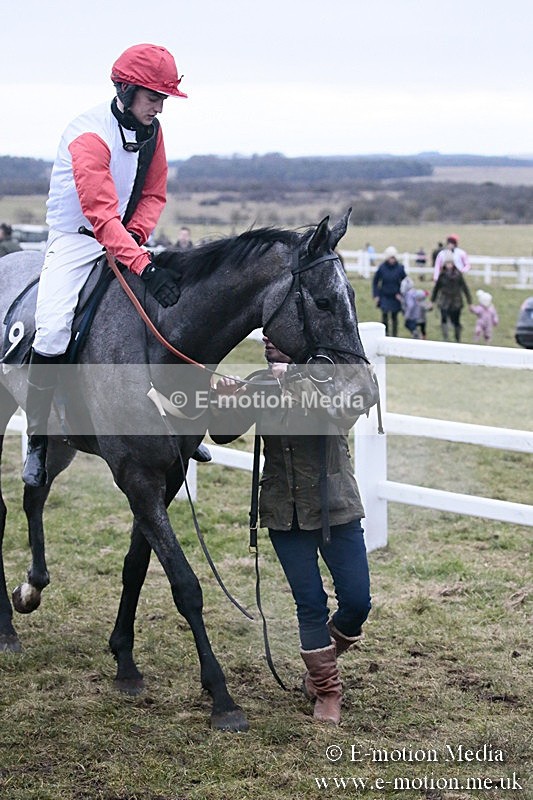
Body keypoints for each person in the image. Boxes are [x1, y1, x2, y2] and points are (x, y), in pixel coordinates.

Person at [22, 43, 189, 487]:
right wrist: (142, 265)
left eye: (163, 98)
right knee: (54, 328)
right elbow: (98, 216)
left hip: (123, 236)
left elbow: (153, 195)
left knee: (161, 317)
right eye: (153, 96)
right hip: (75, 242)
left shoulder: (154, 132)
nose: (159, 106)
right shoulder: (89, 135)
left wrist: (135, 239)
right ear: (126, 88)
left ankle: (175, 422)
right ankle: (38, 440)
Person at [209, 337, 371, 726]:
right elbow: (222, 434)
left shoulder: (328, 378)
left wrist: (295, 379)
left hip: (337, 507)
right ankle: (327, 689)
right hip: (284, 511)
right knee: (309, 602)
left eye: (277, 336)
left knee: (358, 601)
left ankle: (321, 663)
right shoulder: (260, 383)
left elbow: (346, 410)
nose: (267, 339)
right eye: (265, 335)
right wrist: (226, 400)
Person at [430, 251, 472, 342]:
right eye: (448, 263)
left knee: (456, 321)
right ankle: (446, 338)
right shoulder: (442, 276)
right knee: (444, 319)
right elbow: (436, 289)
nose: (449, 265)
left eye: (451, 263)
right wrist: (432, 301)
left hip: (456, 301)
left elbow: (465, 288)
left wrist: (469, 302)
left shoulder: (458, 275)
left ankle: (457, 339)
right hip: (444, 301)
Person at [372, 246, 407, 336]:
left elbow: (406, 282)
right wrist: (376, 295)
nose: (392, 260)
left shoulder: (400, 268)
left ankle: (395, 336)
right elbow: (375, 282)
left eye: (394, 258)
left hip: (396, 297)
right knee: (384, 316)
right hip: (384, 295)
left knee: (394, 317)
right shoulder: (382, 268)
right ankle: (385, 335)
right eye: (391, 258)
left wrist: (401, 294)